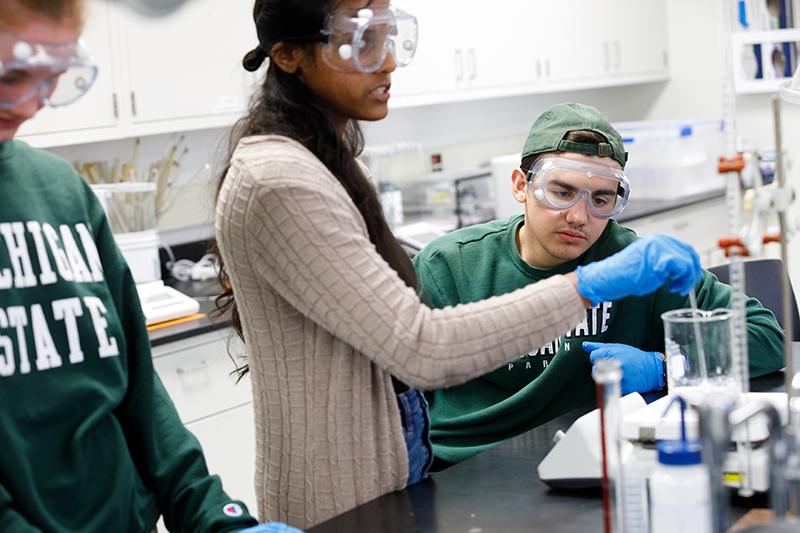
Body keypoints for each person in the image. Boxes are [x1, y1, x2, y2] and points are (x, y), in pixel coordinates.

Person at [213, 1, 704, 529]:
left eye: (390, 35)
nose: (388, 62)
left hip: (388, 480)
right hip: (337, 497)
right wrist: (586, 286)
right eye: (362, 40)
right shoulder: (281, 181)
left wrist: (659, 365)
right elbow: (421, 348)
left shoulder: (327, 161)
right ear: (288, 55)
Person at [0, 1, 300, 532]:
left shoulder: (63, 193)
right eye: (14, 74)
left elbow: (139, 392)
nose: (31, 105)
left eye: (52, 78)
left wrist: (215, 517)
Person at [412, 102, 785, 468]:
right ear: (521, 186)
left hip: (584, 457)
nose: (579, 217)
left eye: (601, 200)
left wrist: (664, 367)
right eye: (561, 192)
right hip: (464, 466)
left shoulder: (634, 266)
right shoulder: (450, 266)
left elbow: (767, 337)